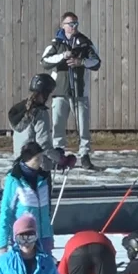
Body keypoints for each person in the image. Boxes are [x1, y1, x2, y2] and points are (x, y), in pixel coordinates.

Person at [40, 11, 101, 169]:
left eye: (75, 24)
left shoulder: (84, 42)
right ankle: (59, 153)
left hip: (80, 92)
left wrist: (81, 62)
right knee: (58, 124)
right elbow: (45, 61)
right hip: (60, 91)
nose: (73, 27)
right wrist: (62, 56)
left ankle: (85, 154)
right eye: (70, 24)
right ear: (63, 25)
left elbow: (96, 62)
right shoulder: (56, 44)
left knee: (82, 124)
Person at [0, 142, 56, 254]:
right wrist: (2, 244)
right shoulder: (14, 180)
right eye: (37, 159)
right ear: (28, 159)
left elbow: (47, 212)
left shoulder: (43, 179)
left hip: (44, 239)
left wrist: (49, 237)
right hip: (24, 239)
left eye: (41, 158)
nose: (41, 162)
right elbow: (6, 211)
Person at [8, 75, 72, 173]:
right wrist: (61, 159)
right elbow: (44, 145)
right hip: (37, 167)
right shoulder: (40, 113)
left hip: (19, 166)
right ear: (45, 94)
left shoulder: (21, 110)